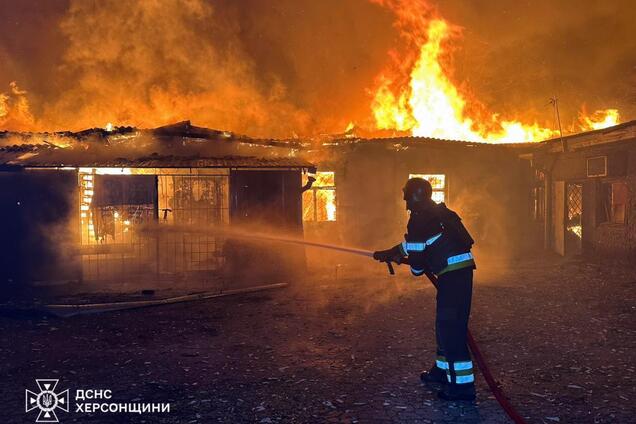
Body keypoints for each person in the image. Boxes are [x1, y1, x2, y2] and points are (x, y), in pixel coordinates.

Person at [373, 177, 477, 401]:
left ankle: (462, 388)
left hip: (453, 277)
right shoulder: (437, 213)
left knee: (451, 330)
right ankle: (441, 371)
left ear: (413, 197)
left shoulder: (419, 218)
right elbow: (421, 243)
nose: (406, 203)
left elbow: (418, 266)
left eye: (407, 199)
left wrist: (412, 263)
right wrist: (392, 252)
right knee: (444, 326)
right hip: (457, 274)